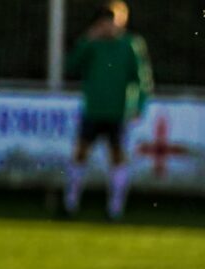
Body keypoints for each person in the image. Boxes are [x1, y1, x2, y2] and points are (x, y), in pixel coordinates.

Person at [63, 1, 153, 220]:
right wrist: (86, 41)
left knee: (117, 157)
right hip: (93, 109)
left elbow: (142, 79)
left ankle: (115, 208)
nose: (109, 26)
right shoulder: (92, 44)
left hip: (118, 111)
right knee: (80, 153)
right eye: (106, 22)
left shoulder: (130, 44)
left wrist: (139, 105)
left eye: (114, 21)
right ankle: (70, 204)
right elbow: (70, 66)